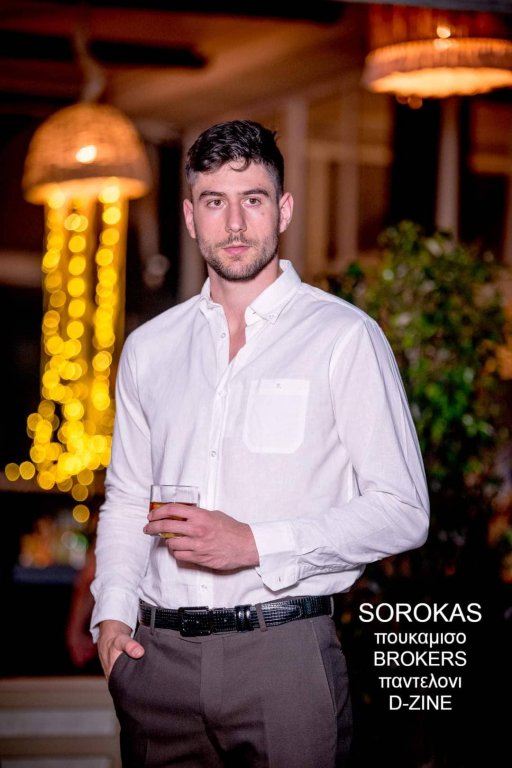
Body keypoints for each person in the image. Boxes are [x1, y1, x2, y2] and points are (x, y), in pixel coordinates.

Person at [90, 119, 429, 768]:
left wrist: (254, 543)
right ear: (190, 217)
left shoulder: (343, 337)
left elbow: (404, 510)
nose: (236, 223)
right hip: (156, 662)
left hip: (283, 656)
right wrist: (112, 615)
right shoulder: (150, 349)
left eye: (253, 199)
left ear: (284, 209)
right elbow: (128, 499)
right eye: (214, 201)